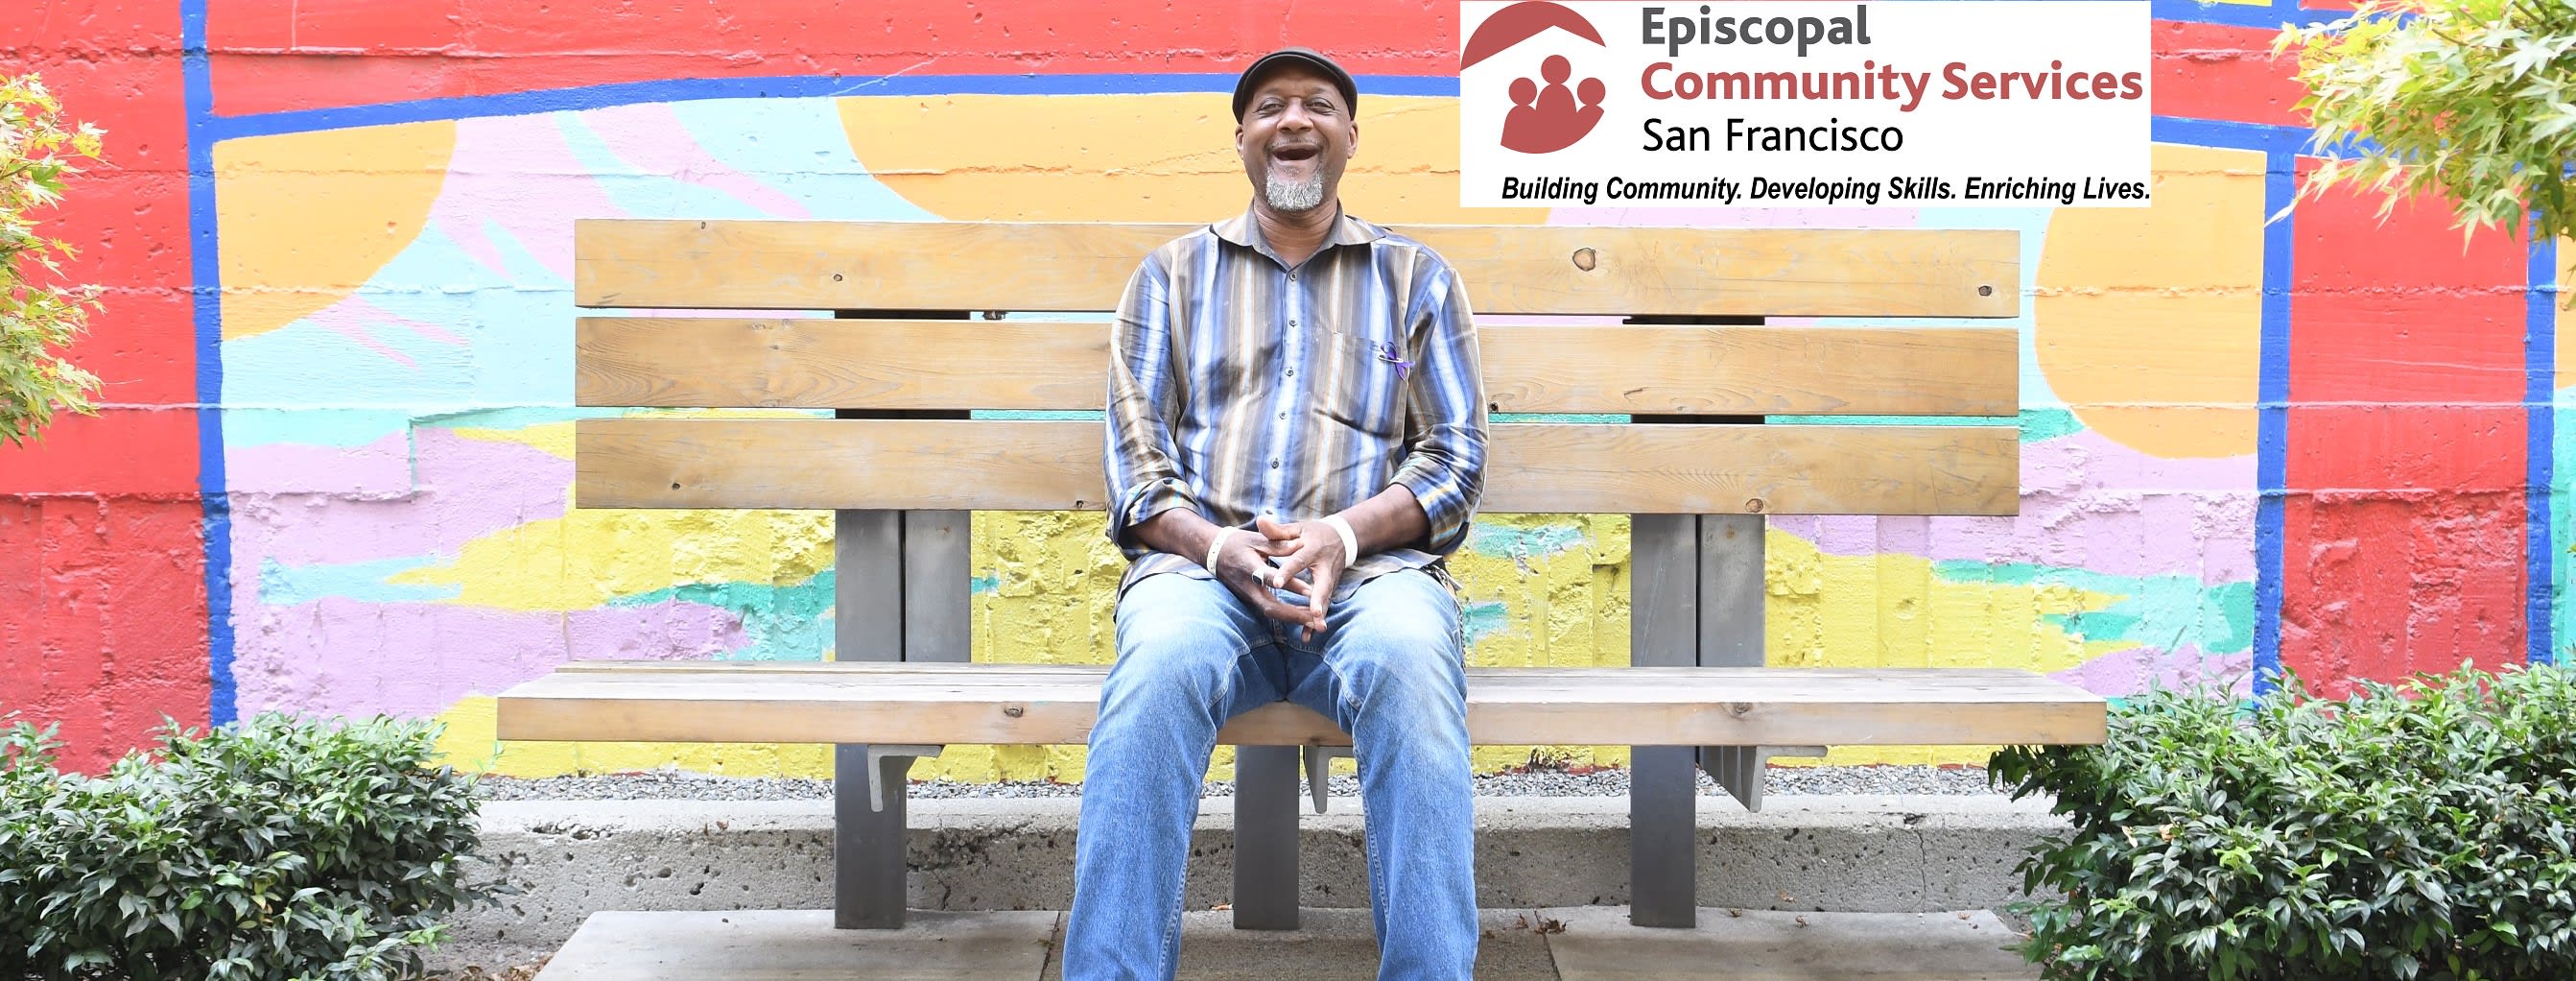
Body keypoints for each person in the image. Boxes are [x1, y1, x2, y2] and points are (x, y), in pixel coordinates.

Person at [1063, 46, 1491, 981]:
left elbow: (1455, 457)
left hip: (1374, 581)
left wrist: (1340, 537)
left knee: (1412, 660)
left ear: (1349, 136)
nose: (1294, 120)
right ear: (1243, 138)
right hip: (1203, 577)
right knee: (1158, 666)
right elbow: (1137, 471)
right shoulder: (1170, 278)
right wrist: (1223, 551)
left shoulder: (1415, 277)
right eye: (1269, 107)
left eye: (1318, 106)